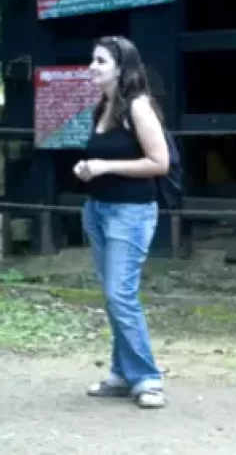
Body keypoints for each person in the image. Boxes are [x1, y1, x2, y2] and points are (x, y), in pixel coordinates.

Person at [73, 35, 169, 410]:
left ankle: (148, 379)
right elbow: (103, 157)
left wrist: (105, 166)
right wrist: (87, 168)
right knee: (114, 297)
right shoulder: (103, 107)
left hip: (131, 214)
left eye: (100, 61)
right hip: (98, 210)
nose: (92, 67)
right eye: (92, 60)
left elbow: (159, 163)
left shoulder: (138, 107)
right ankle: (120, 373)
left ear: (120, 67)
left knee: (119, 295)